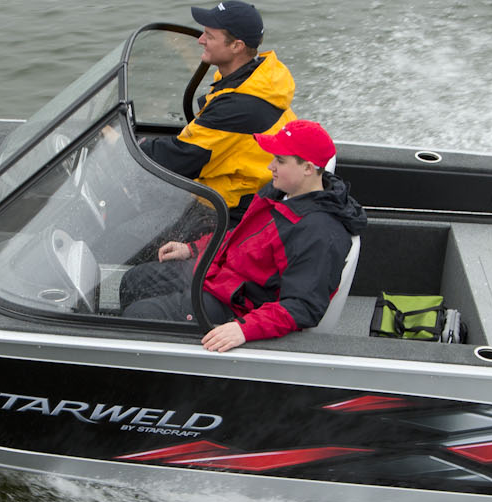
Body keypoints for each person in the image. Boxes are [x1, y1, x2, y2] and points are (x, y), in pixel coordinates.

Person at [121, 120, 366, 351]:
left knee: (139, 316)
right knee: (133, 281)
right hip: (220, 275)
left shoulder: (319, 233)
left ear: (308, 169)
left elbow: (303, 306)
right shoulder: (279, 193)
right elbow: (241, 236)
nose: (270, 166)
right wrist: (194, 249)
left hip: (235, 306)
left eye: (280, 161)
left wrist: (244, 329)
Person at [140, 0, 296, 212]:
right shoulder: (259, 79)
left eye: (210, 36)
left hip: (236, 208)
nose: (200, 40)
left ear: (236, 46)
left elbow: (180, 159)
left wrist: (124, 146)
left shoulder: (239, 105)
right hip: (249, 185)